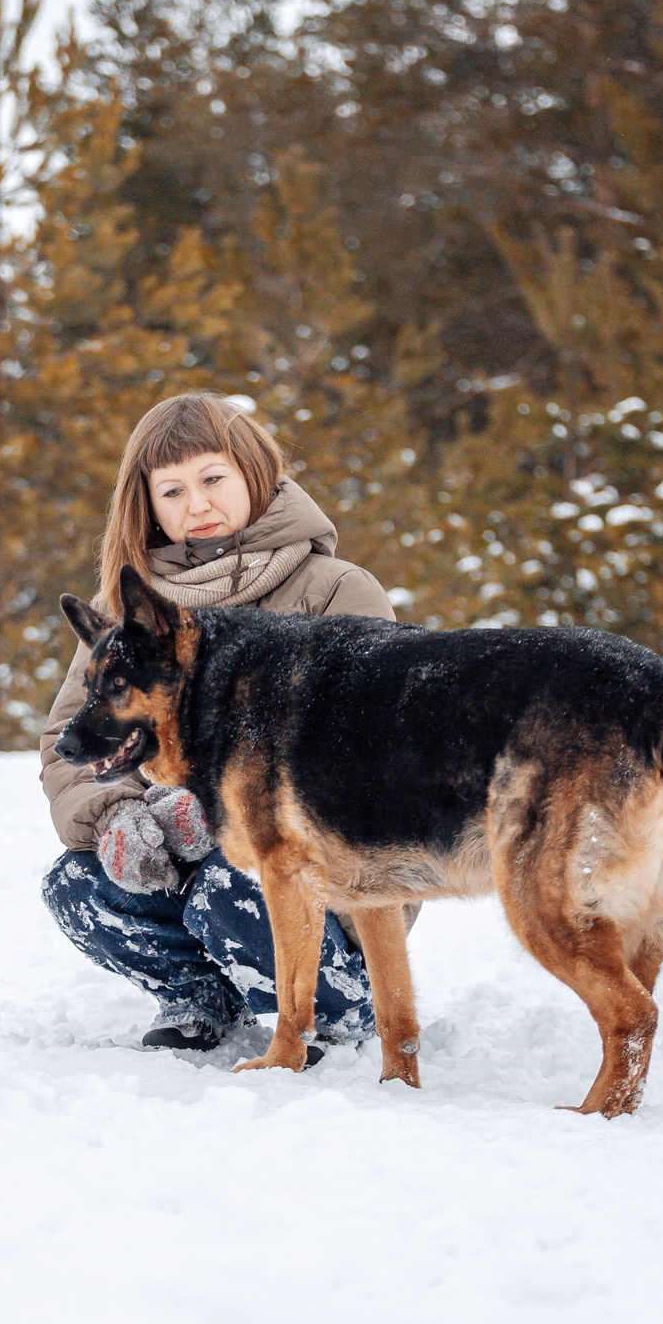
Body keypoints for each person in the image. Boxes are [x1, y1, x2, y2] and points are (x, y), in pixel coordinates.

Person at [39, 393, 396, 1053]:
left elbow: (380, 750)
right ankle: (201, 988)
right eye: (171, 490)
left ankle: (338, 1000)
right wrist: (121, 813)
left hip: (323, 875)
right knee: (78, 883)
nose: (195, 504)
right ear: (146, 504)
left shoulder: (337, 589)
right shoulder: (124, 610)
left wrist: (219, 804)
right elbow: (71, 743)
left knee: (233, 879)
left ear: (253, 475)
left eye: (212, 478)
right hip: (184, 845)